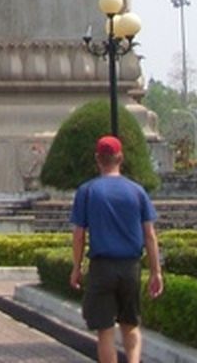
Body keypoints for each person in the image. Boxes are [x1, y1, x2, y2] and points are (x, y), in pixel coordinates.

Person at [70, 136, 164, 363]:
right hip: (130, 266)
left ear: (97, 159)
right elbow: (149, 235)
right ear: (120, 158)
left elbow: (79, 234)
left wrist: (77, 267)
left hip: (102, 267)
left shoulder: (87, 191)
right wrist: (155, 271)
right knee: (131, 326)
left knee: (105, 330)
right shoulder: (137, 191)